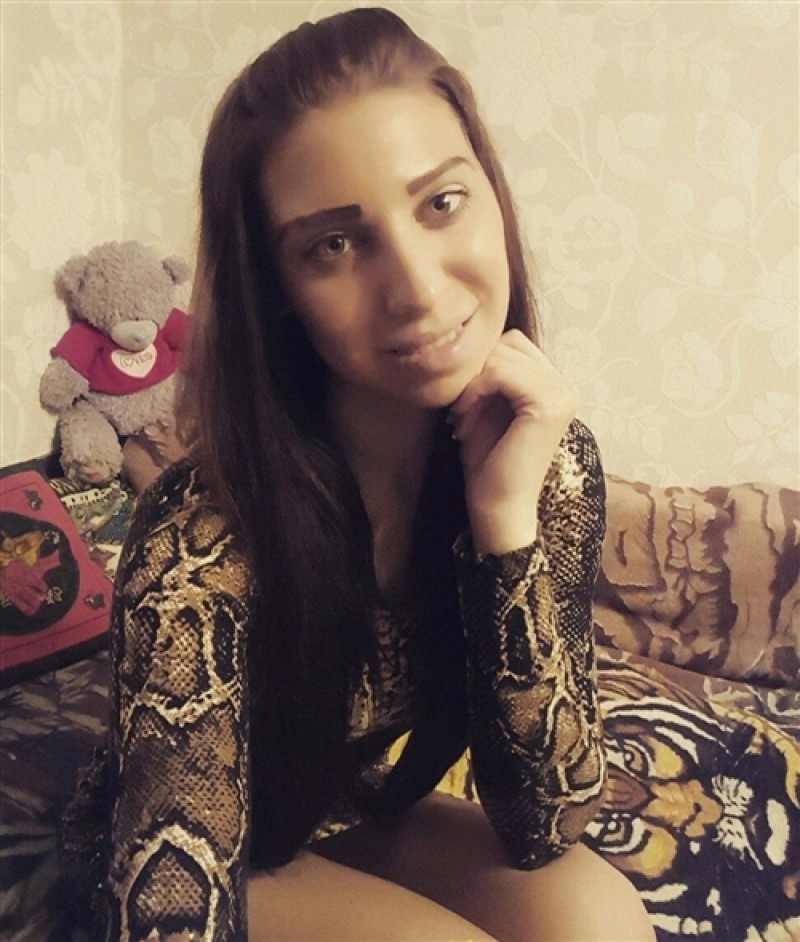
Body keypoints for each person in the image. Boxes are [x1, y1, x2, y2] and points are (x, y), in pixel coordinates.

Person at [61, 7, 656, 941]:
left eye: (442, 202)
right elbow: (171, 914)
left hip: (344, 804)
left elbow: (547, 823)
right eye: (334, 244)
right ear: (278, 290)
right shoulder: (202, 534)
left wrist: (503, 522)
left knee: (598, 918)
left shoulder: (547, 461)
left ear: (493, 197)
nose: (417, 289)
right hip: (177, 853)